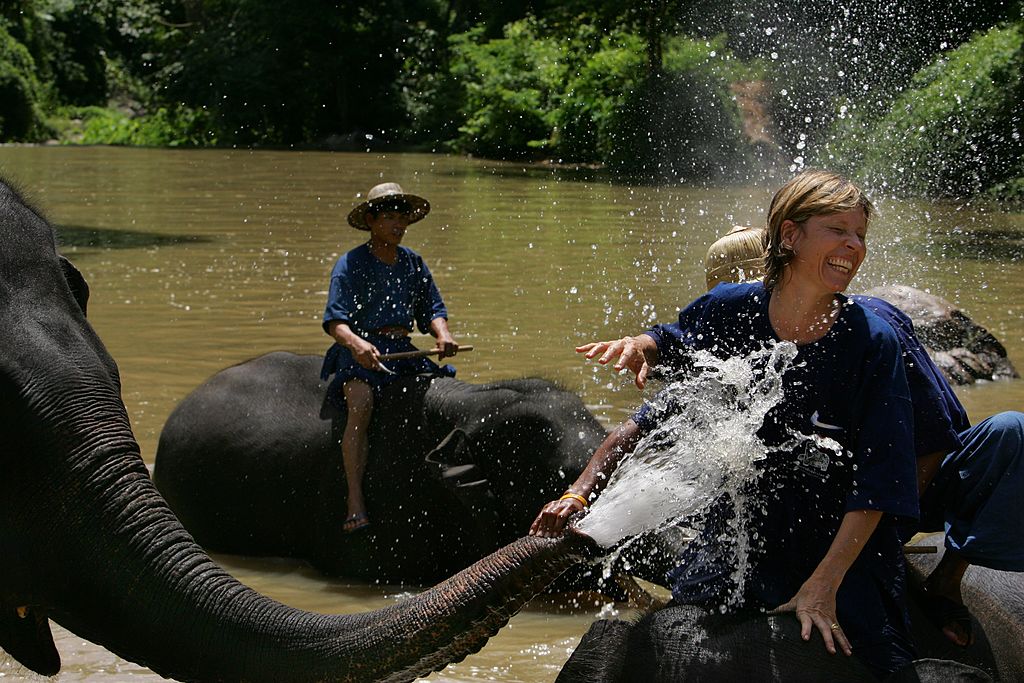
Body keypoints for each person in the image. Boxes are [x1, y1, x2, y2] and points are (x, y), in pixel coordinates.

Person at [531, 170, 920, 678]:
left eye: (861, 235)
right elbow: (672, 339)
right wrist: (640, 346)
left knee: (884, 667)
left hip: (836, 550)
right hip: (737, 537)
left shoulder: (871, 341)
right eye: (838, 230)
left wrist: (823, 587)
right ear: (790, 235)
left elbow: (882, 481)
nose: (854, 246)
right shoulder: (729, 310)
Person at [693, 223, 1024, 648]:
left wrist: (876, 534)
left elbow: (933, 441)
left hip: (905, 485)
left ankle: (946, 581)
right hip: (816, 496)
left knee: (1011, 432)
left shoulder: (872, 326)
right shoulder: (734, 335)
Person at [322, 182, 459, 533]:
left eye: (403, 218)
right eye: (390, 218)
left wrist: (442, 334)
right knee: (361, 405)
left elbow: (432, 310)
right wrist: (357, 346)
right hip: (361, 353)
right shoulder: (350, 264)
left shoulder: (413, 262)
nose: (399, 225)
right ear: (371, 220)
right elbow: (335, 322)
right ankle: (354, 498)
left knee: (446, 402)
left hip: (405, 352)